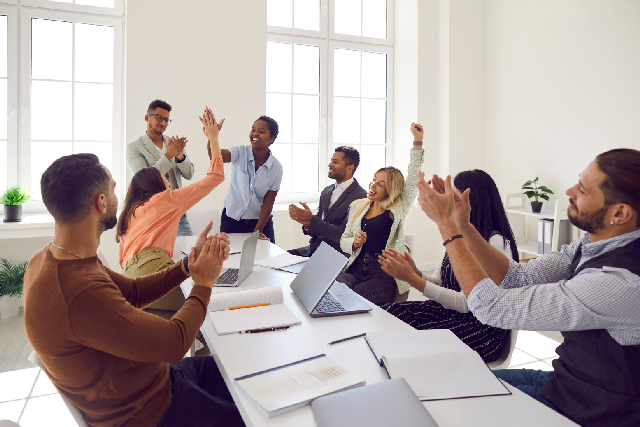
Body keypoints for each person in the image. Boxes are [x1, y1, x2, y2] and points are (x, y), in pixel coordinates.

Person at [409, 148, 640, 427]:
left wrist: (447, 227)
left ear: (620, 212)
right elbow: (518, 278)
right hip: (564, 384)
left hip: (591, 413)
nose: (569, 191)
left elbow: (490, 307)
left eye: (582, 189)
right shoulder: (592, 244)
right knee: (446, 390)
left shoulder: (618, 282)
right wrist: (463, 226)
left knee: (449, 410)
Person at [23, 152, 244, 426]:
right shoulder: (79, 292)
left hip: (159, 380)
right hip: (153, 411)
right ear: (101, 203)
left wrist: (187, 265)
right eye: (114, 189)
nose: (120, 196)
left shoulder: (51, 259)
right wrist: (204, 282)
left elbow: (135, 292)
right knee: (255, 417)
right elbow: (175, 343)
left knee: (242, 374)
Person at [378, 170, 519, 363]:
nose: (448, 202)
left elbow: (467, 304)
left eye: (454, 197)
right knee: (390, 313)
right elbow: (440, 282)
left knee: (414, 338)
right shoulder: (457, 233)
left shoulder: (495, 243)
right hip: (450, 312)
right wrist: (416, 273)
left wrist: (414, 280)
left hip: (480, 328)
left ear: (473, 200)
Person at [116, 108, 225, 339]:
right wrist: (213, 138)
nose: (169, 182)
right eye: (166, 179)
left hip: (129, 284)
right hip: (152, 270)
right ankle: (211, 368)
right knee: (210, 308)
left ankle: (195, 362)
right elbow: (215, 177)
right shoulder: (166, 199)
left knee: (187, 325)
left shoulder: (129, 212)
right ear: (159, 184)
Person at [336, 123, 425, 306]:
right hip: (354, 269)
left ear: (391, 189)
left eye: (380, 184)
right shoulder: (358, 207)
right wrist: (354, 242)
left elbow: (413, 176)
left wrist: (417, 142)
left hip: (383, 273)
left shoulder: (397, 209)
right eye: (373, 180)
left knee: (352, 302)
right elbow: (344, 240)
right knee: (331, 292)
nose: (373, 185)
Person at [207, 116, 282, 243]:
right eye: (253, 130)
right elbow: (215, 156)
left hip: (260, 222)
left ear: (272, 138)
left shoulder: (276, 168)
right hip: (232, 220)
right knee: (229, 259)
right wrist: (212, 136)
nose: (255, 134)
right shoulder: (240, 152)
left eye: (261, 131)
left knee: (267, 258)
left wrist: (257, 230)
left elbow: (268, 203)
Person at [127, 99, 196, 236]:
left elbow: (189, 174)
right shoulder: (134, 148)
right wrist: (169, 155)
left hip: (178, 212)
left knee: (189, 253)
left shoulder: (174, 143)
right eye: (159, 118)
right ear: (147, 118)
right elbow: (145, 180)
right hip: (153, 214)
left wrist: (180, 157)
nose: (163, 123)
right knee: (160, 255)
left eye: (166, 120)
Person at [288, 146, 367, 257]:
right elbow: (317, 229)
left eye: (335, 162)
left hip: (335, 256)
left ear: (350, 168)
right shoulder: (327, 191)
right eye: (331, 161)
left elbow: (344, 235)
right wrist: (307, 223)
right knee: (281, 259)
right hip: (314, 249)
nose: (330, 164)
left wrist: (312, 220)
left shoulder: (361, 197)